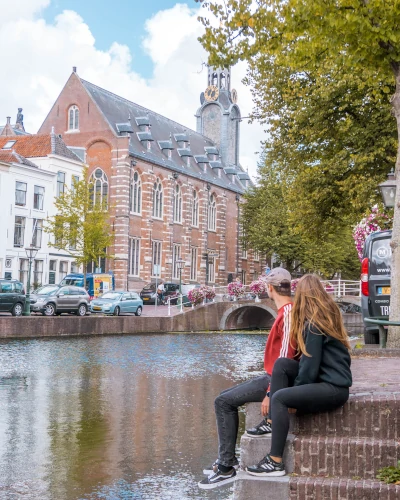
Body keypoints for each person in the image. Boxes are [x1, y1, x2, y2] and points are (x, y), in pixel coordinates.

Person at [198, 267, 296, 490]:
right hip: (273, 376)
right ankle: (226, 461)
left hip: (278, 380)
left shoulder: (288, 313)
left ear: (270, 289)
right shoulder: (286, 312)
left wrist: (271, 393)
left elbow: (286, 357)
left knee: (222, 402)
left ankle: (226, 467)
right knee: (223, 397)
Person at [245, 274, 352, 478]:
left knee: (279, 398)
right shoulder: (323, 318)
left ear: (303, 296)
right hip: (326, 379)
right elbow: (307, 365)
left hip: (333, 389)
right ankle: (271, 422)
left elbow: (309, 369)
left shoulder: (313, 325)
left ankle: (275, 461)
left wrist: (293, 394)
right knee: (282, 364)